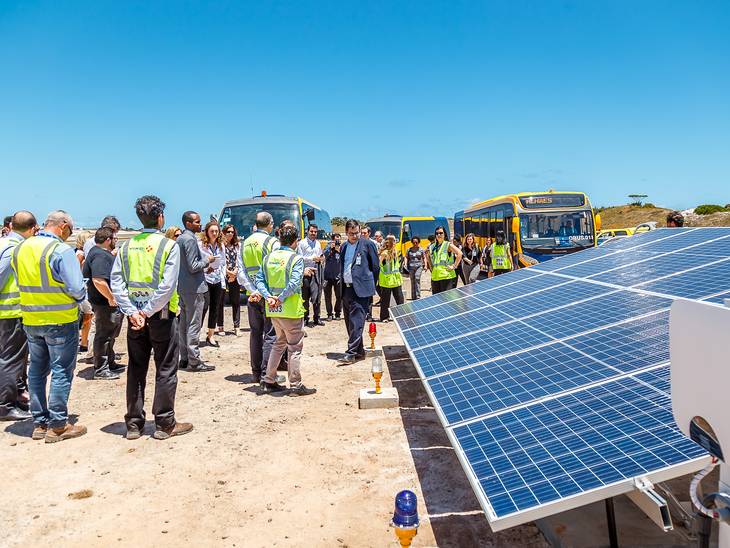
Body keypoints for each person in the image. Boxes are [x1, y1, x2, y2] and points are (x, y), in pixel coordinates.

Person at [111, 195, 193, 440]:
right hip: (161, 316)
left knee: (136, 369)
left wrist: (133, 312)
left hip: (134, 317)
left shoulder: (125, 246)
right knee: (166, 368)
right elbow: (168, 286)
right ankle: (164, 423)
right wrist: (146, 311)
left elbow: (117, 283)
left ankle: (134, 424)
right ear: (160, 218)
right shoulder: (169, 246)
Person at [12, 210, 87, 442]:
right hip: (60, 320)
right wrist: (78, 299)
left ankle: (39, 422)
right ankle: (58, 424)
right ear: (63, 226)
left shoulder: (20, 249)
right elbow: (76, 288)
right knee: (61, 370)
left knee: (36, 371)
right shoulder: (61, 250)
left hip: (31, 319)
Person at [256, 225, 316, 396]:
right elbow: (294, 283)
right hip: (290, 309)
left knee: (278, 343)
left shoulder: (268, 257)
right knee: (294, 347)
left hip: (274, 310)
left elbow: (259, 281)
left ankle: (269, 380)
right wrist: (280, 298)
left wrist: (269, 298)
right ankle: (296, 385)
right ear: (296, 241)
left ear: (280, 239)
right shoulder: (296, 259)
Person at [0, 211, 36, 421]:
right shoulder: (13, 248)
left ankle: (12, 399)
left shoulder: (4, 243)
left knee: (10, 358)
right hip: (10, 310)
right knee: (11, 359)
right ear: (31, 229)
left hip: (7, 310)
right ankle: (5, 406)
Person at [241, 211, 280, 383]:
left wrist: (253, 289)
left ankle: (256, 372)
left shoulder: (245, 243)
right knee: (270, 334)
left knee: (255, 333)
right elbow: (276, 269)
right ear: (270, 224)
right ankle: (267, 373)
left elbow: (241, 271)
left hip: (252, 295)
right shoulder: (272, 242)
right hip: (269, 296)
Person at [83, 227, 126, 380]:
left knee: (110, 334)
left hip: (105, 302)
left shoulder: (100, 253)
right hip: (104, 303)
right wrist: (111, 297)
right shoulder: (100, 255)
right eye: (115, 239)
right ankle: (101, 368)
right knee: (104, 335)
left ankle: (110, 362)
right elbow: (98, 280)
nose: (115, 242)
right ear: (108, 240)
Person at [176, 211, 215, 373]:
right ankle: (194, 360)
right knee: (193, 324)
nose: (201, 224)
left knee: (183, 325)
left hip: (183, 288)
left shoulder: (179, 239)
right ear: (188, 224)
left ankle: (184, 357)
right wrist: (207, 261)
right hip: (194, 288)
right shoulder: (190, 240)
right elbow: (193, 266)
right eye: (197, 222)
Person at [337, 220, 380, 365]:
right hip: (346, 288)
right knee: (349, 322)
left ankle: (350, 353)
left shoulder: (367, 245)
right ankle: (359, 350)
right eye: (351, 233)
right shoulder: (343, 247)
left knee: (357, 322)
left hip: (361, 290)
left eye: (357, 232)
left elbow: (375, 267)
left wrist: (370, 285)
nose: (355, 236)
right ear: (346, 233)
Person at [198, 221, 226, 347]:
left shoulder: (221, 246)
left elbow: (223, 263)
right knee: (203, 308)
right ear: (207, 232)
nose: (214, 233)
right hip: (205, 279)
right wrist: (205, 269)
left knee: (215, 308)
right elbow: (198, 263)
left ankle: (210, 336)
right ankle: (195, 335)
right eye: (212, 231)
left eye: (216, 231)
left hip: (217, 279)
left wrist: (223, 277)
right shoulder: (201, 246)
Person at [296, 223, 325, 327]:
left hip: (316, 271)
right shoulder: (301, 243)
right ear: (307, 231)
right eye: (312, 231)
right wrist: (311, 258)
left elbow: (319, 255)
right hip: (306, 271)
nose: (313, 233)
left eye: (315, 232)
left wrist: (321, 257)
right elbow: (299, 258)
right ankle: (305, 318)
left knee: (317, 295)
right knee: (305, 296)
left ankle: (317, 318)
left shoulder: (317, 243)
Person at [219, 224, 244, 336]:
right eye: (228, 231)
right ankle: (220, 327)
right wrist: (227, 272)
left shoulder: (237, 245)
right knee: (220, 302)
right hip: (224, 275)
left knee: (236, 301)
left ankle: (237, 327)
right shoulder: (220, 245)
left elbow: (240, 259)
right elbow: (220, 261)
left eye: (232, 232)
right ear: (224, 232)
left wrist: (235, 271)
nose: (230, 234)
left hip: (235, 275)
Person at [378, 235, 404, 323]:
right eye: (394, 240)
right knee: (385, 299)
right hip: (387, 280)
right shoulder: (384, 253)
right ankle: (384, 317)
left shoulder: (396, 252)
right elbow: (378, 264)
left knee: (400, 298)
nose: (396, 242)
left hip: (396, 280)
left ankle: (401, 315)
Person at [429, 226, 462, 294]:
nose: (439, 235)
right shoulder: (432, 246)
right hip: (435, 277)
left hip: (446, 277)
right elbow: (428, 256)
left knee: (446, 300)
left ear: (444, 234)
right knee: (437, 300)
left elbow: (460, 253)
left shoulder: (448, 245)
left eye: (441, 233)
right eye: (437, 233)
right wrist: (431, 268)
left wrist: (454, 266)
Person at [323, 233, 342, 321]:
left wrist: (339, 250)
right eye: (335, 240)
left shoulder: (342, 248)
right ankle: (329, 314)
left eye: (339, 240)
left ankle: (337, 313)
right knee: (328, 296)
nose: (337, 242)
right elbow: (323, 256)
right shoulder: (328, 247)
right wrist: (331, 248)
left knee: (339, 296)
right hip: (328, 276)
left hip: (338, 276)